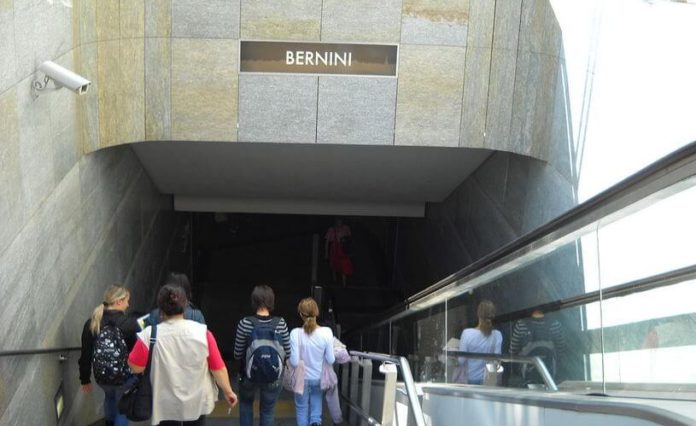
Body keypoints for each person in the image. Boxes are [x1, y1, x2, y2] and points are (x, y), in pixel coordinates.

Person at [127, 284, 237, 425]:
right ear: (185, 305)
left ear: (160, 307)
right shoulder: (203, 333)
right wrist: (228, 392)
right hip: (197, 401)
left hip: (164, 403)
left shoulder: (149, 335)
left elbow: (136, 367)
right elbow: (218, 368)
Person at [78, 285, 140, 426]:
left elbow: (86, 353)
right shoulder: (128, 324)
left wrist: (85, 379)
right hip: (122, 376)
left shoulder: (91, 323)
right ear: (119, 302)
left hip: (102, 377)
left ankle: (109, 423)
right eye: (126, 301)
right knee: (122, 408)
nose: (128, 304)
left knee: (110, 398)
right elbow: (136, 351)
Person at [233, 285, 291, 426]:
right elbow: (288, 353)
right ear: (272, 301)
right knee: (268, 410)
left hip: (248, 376)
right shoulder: (280, 323)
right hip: (273, 376)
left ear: (253, 301)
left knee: (246, 405)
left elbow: (237, 354)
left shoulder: (245, 323)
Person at [290, 297, 335, 426]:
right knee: (316, 404)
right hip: (318, 378)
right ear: (317, 313)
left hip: (301, 379)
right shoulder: (327, 332)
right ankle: (315, 422)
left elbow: (293, 362)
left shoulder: (295, 333)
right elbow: (331, 359)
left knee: (301, 407)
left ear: (300, 314)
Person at [509, 308, 566, 384]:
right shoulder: (555, 324)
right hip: (550, 377)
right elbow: (561, 351)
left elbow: (512, 351)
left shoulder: (521, 324)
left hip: (527, 376)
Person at [457, 300, 503, 385]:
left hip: (470, 380)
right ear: (493, 315)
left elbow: (461, 361)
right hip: (489, 381)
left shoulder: (467, 333)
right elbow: (497, 361)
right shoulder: (498, 335)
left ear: (478, 314)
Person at [324, 219, 353, 286]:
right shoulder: (331, 229)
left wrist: (348, 247)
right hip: (334, 249)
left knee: (344, 266)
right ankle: (335, 281)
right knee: (334, 265)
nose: (339, 222)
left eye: (340, 220)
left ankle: (344, 283)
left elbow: (350, 239)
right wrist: (326, 253)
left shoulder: (346, 228)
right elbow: (327, 242)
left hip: (343, 249)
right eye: (338, 221)